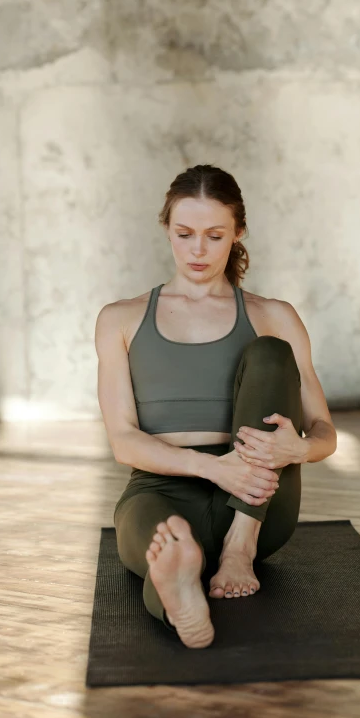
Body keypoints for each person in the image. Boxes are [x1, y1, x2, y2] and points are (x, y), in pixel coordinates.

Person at [95, 164, 337, 649]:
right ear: (166, 228)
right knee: (159, 545)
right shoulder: (120, 319)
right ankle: (180, 597)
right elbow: (123, 441)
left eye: (214, 235)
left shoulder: (275, 315)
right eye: (184, 234)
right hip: (160, 487)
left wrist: (299, 450)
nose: (198, 250)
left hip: (259, 497)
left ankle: (238, 549)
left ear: (238, 232)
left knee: (270, 353)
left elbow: (326, 431)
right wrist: (213, 469)